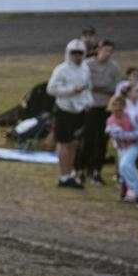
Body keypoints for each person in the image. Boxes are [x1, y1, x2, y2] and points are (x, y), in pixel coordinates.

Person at [46, 38, 92, 188]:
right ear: (68, 53)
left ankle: (70, 172)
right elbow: (51, 89)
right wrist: (71, 90)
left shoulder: (85, 68)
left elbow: (88, 87)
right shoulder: (61, 69)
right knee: (64, 143)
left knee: (74, 143)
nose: (77, 56)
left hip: (80, 110)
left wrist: (88, 102)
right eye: (74, 53)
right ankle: (63, 175)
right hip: (65, 110)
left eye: (80, 53)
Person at [81, 40, 121, 185]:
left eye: (111, 51)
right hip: (91, 107)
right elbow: (85, 84)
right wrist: (102, 87)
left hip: (106, 108)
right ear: (99, 49)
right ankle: (83, 169)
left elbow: (115, 88)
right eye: (105, 50)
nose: (108, 53)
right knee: (88, 139)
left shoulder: (114, 67)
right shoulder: (88, 64)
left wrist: (96, 87)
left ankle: (97, 170)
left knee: (102, 140)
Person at [105, 90, 138, 207]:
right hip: (122, 148)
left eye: (120, 105)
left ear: (124, 106)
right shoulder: (110, 121)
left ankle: (136, 192)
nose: (117, 108)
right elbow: (120, 135)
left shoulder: (130, 116)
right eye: (115, 105)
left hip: (134, 146)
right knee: (126, 170)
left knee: (125, 165)